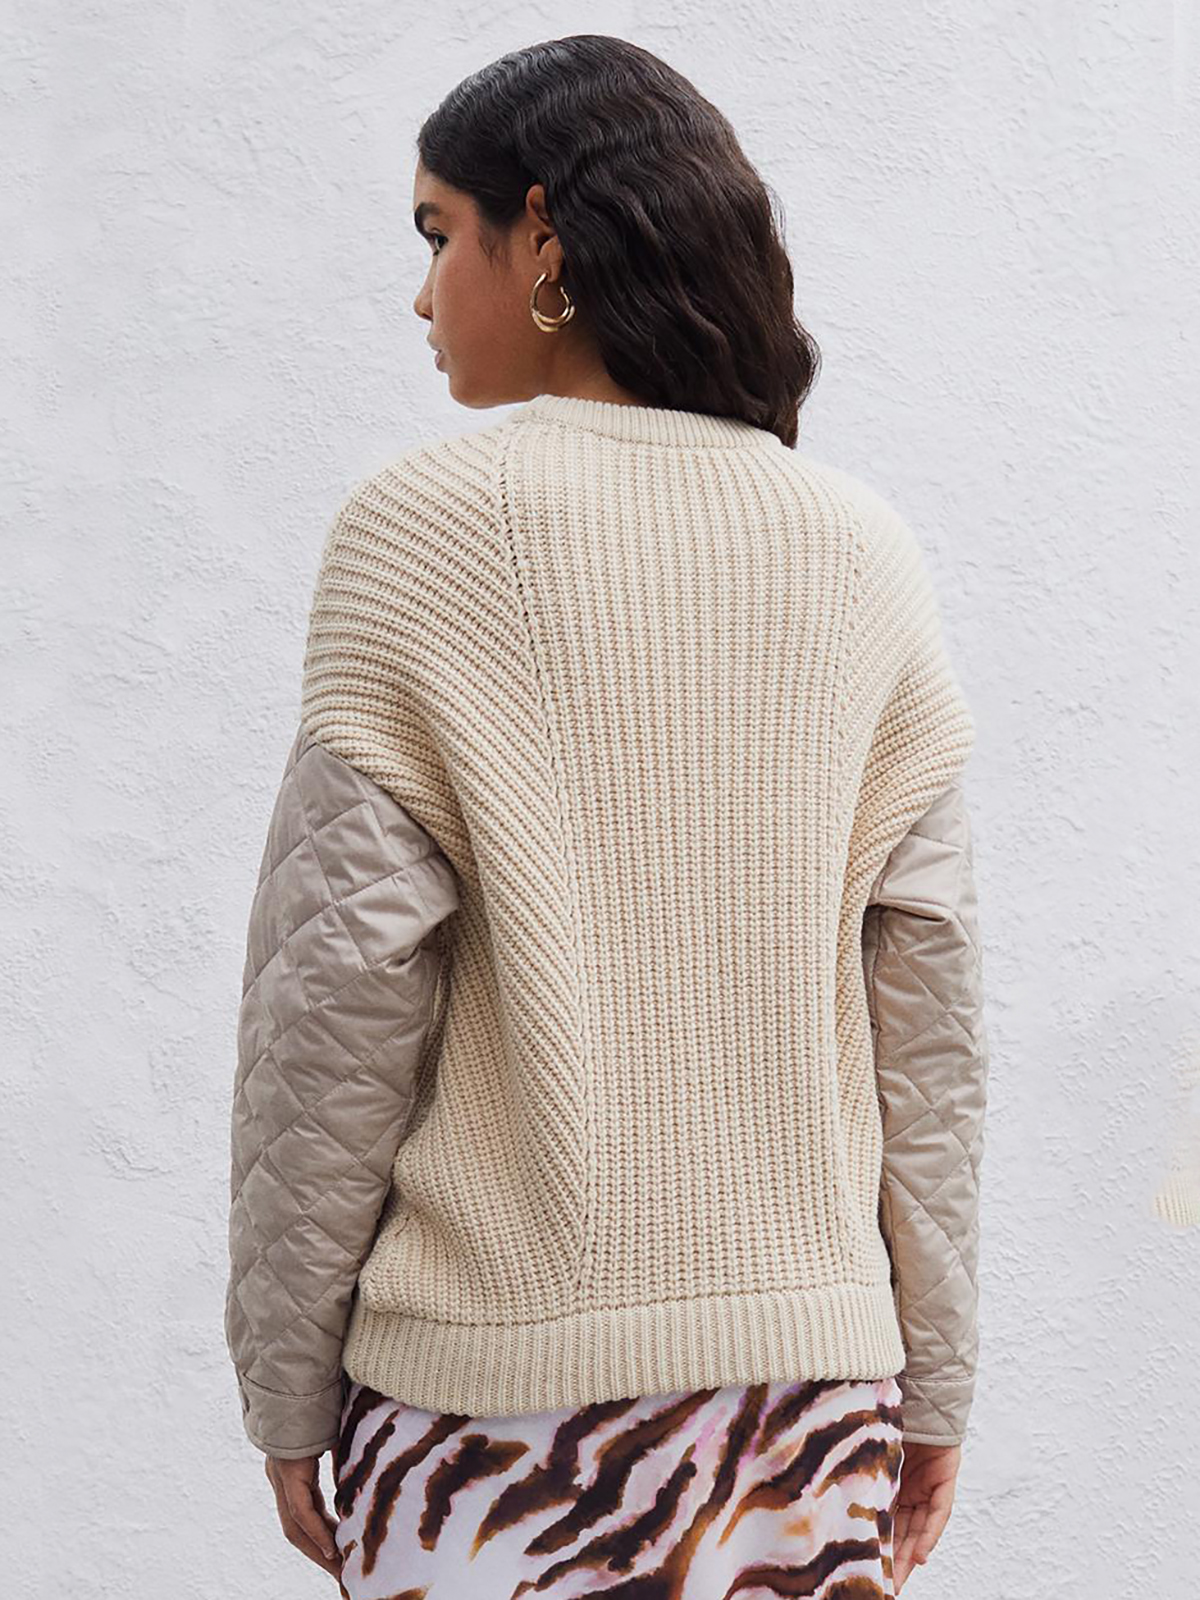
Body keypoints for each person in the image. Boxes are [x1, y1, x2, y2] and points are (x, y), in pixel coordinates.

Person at [223, 34, 989, 1598]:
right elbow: (931, 1021)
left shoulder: (418, 533)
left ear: (545, 238)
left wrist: (286, 1383)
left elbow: (335, 1003)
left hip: (493, 1430)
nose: (422, 294)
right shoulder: (864, 550)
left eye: (439, 233)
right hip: (806, 1417)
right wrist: (935, 1378)